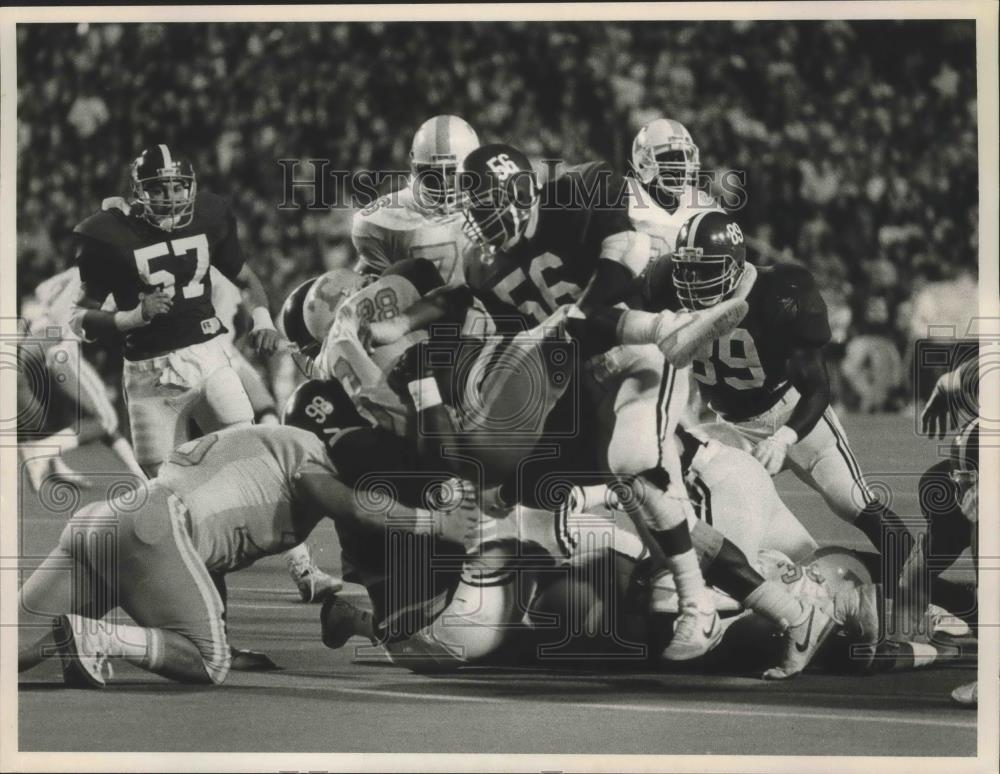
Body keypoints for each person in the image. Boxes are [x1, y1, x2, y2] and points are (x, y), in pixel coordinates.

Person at [17, 405, 476, 688]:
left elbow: (203, 565)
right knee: (209, 662)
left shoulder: (265, 442)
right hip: (158, 530)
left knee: (11, 647)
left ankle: (84, 636)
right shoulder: (310, 458)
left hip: (107, 520)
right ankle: (96, 637)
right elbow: (355, 506)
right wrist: (437, 523)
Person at [68, 144, 337, 602]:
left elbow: (248, 280)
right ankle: (201, 610)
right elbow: (78, 318)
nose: (171, 196)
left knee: (258, 464)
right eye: (160, 188)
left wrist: (264, 322)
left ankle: (304, 569)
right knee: (165, 497)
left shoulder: (210, 216)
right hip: (149, 378)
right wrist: (133, 317)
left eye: (178, 186)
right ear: (140, 192)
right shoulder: (106, 236)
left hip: (210, 358)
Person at [641, 211, 907, 588]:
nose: (692, 281)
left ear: (733, 267)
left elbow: (817, 387)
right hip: (729, 426)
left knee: (853, 501)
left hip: (790, 412)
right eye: (686, 269)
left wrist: (785, 438)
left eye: (705, 270)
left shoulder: (779, 294)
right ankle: (697, 582)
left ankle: (922, 588)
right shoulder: (663, 284)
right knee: (683, 489)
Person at [18, 267, 146, 489]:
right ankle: (43, 450)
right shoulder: (115, 274)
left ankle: (141, 476)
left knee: (98, 416)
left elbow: (43, 289)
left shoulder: (84, 267)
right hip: (61, 347)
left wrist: (51, 309)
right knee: (105, 418)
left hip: (42, 345)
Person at [353, 114, 480, 283]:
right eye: (431, 174)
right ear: (414, 168)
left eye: (451, 172)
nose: (442, 184)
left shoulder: (496, 206)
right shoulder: (381, 220)